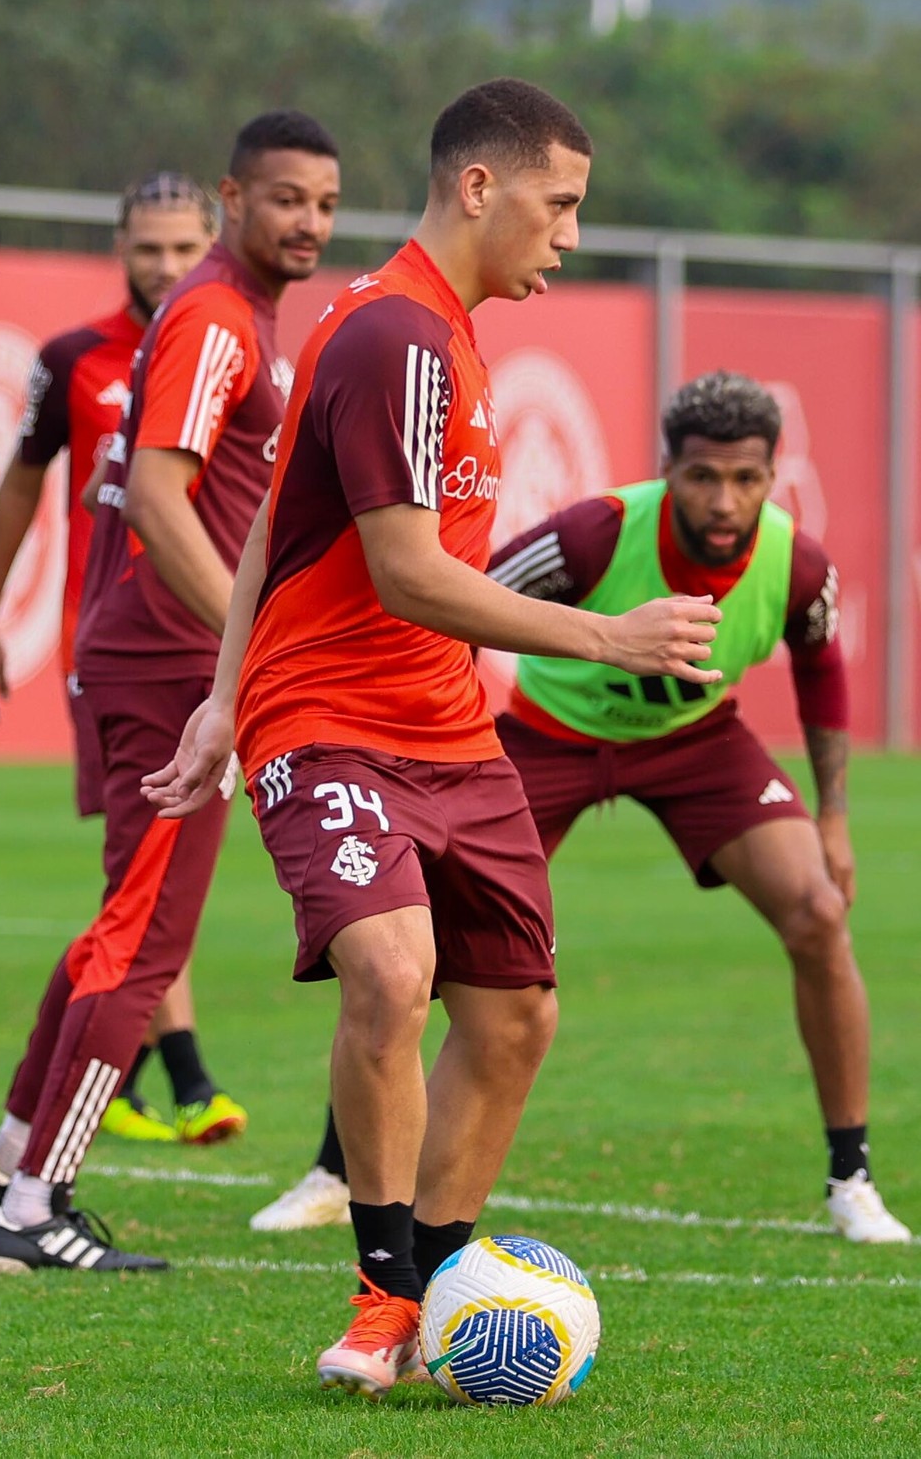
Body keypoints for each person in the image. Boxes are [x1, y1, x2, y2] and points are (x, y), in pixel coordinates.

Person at [141, 78, 724, 1398]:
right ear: (480, 187)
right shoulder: (395, 333)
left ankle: (439, 1292)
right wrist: (604, 635)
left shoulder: (436, 332)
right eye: (560, 202)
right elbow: (405, 574)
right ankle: (381, 1293)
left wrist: (214, 693)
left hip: (447, 729)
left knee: (514, 1020)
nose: (572, 232)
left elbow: (271, 526)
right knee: (395, 972)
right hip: (335, 724)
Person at [261, 369, 911, 1247]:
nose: (725, 500)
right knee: (421, 955)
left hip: (696, 741)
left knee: (819, 914)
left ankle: (852, 1179)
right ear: (667, 472)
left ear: (773, 475)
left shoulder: (800, 567)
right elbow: (465, 596)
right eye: (703, 477)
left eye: (747, 479)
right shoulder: (596, 536)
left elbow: (821, 673)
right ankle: (339, 1174)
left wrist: (832, 818)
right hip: (549, 736)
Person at [0, 110, 341, 1272]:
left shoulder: (229, 317)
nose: (309, 221)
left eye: (325, 202)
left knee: (121, 930)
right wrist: (242, 659)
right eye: (286, 200)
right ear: (234, 199)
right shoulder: (217, 317)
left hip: (152, 656)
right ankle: (34, 1210)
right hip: (169, 668)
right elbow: (159, 504)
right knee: (144, 948)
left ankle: (0, 1165)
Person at [0, 173, 246, 1148]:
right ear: (119, 248)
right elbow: (17, 483)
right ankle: (56, 1152)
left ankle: (28, 1147)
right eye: (145, 248)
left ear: (209, 241)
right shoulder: (75, 358)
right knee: (143, 894)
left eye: (181, 248)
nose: (163, 267)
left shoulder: (231, 348)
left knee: (145, 890)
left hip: (211, 652)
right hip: (129, 655)